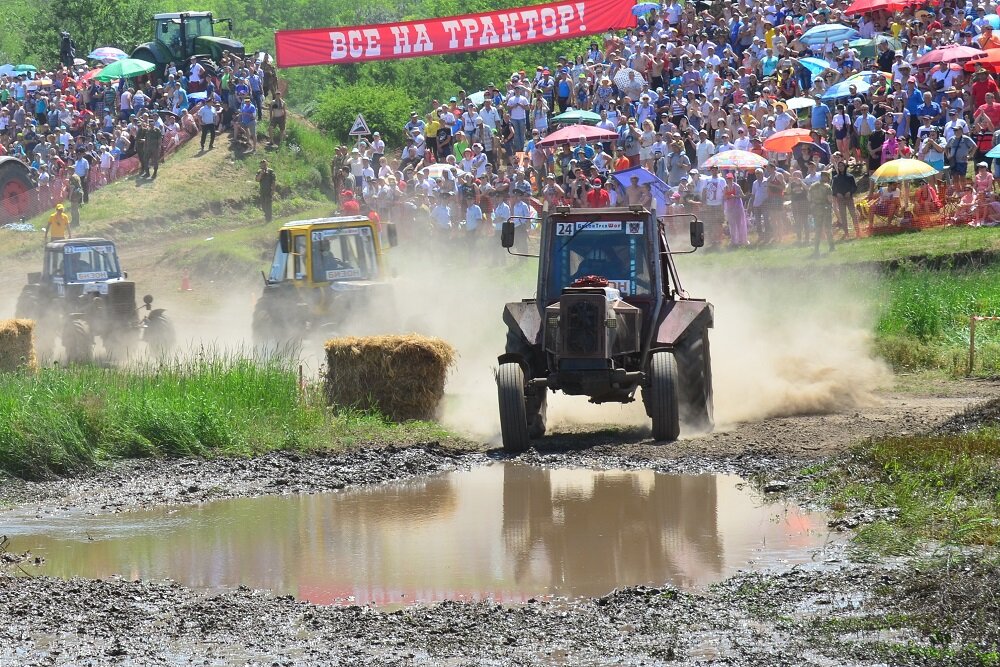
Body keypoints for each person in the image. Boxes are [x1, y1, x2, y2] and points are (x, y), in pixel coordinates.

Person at [808, 170, 835, 256]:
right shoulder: (827, 187)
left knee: (818, 230)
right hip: (825, 209)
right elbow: (830, 199)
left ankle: (816, 249)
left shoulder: (812, 186)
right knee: (828, 228)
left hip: (816, 209)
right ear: (827, 177)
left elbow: (809, 198)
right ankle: (831, 246)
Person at [722, 173, 748, 247]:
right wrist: (727, 197)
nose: (729, 180)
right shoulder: (725, 187)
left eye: (730, 178)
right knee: (732, 224)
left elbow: (742, 196)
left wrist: (735, 196)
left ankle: (742, 240)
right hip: (730, 208)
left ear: (733, 179)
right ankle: (734, 240)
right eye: (728, 179)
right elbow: (724, 197)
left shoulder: (736, 186)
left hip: (738, 207)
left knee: (740, 223)